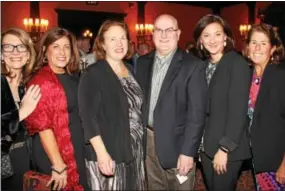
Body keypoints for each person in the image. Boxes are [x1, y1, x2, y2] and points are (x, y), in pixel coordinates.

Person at [136, 14, 207, 190]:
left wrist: (188, 152)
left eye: (170, 30)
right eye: (159, 30)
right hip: (149, 143)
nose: (164, 35)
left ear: (178, 33)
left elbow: (197, 115)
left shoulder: (193, 65)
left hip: (178, 145)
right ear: (152, 34)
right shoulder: (143, 62)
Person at [78, 20, 146, 190]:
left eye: (123, 38)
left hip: (134, 150)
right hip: (109, 151)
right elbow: (88, 117)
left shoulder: (130, 69)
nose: (119, 43)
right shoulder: (93, 73)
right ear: (102, 44)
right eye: (113, 39)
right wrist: (102, 154)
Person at [25, 27, 89, 191]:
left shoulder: (71, 76)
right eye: (56, 46)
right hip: (55, 155)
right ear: (45, 49)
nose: (62, 52)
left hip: (76, 147)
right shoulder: (41, 81)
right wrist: (58, 165)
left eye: (66, 47)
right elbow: (43, 128)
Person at [193, 14, 251, 191]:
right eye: (206, 35)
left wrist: (224, 149)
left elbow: (238, 111)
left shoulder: (236, 63)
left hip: (226, 148)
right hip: (206, 145)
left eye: (217, 34)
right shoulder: (202, 66)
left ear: (226, 36)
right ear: (200, 40)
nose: (212, 40)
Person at [244, 23, 285, 190]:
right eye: (254, 42)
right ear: (247, 47)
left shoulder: (280, 75)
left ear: (273, 48)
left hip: (276, 161)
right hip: (257, 157)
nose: (257, 48)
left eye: (263, 43)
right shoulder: (247, 75)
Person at [1, 28, 41, 190]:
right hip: (4, 162)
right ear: (1, 53)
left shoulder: (28, 85)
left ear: (29, 54)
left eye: (21, 46)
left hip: (27, 159)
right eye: (8, 46)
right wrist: (22, 112)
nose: (15, 52)